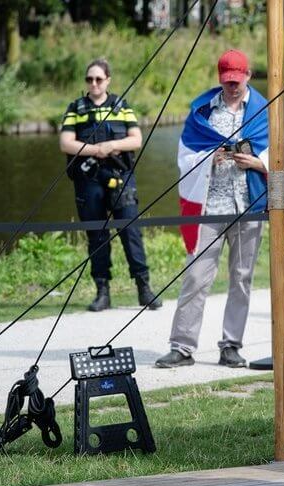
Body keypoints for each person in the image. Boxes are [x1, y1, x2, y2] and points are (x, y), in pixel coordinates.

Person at [155, 49, 283, 369]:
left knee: (241, 279)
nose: (233, 87)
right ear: (219, 79)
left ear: (249, 76)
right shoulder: (202, 113)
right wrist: (207, 160)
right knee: (196, 277)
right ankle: (182, 346)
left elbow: (282, 160)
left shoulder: (266, 112)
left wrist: (257, 163)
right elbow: (185, 157)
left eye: (238, 81)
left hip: (249, 206)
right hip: (211, 208)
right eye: (227, 82)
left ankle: (231, 346)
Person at [59, 58, 161, 312]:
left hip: (120, 176)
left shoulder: (122, 106)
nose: (93, 84)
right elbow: (66, 143)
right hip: (88, 179)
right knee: (97, 234)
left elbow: (136, 139)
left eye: (98, 79)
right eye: (89, 79)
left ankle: (143, 287)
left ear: (108, 81)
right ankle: (102, 291)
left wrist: (112, 146)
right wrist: (94, 149)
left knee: (130, 231)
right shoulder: (76, 108)